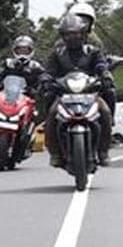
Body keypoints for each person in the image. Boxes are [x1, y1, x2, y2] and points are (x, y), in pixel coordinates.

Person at [39, 13, 115, 168]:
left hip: (90, 94)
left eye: (76, 33)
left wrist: (105, 75)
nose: (72, 37)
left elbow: (100, 65)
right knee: (51, 114)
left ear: (83, 34)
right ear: (63, 36)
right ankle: (55, 153)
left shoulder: (93, 51)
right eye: (68, 34)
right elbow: (49, 71)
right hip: (64, 95)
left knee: (105, 111)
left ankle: (103, 151)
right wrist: (46, 79)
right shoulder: (57, 53)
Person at [0, 35, 43, 153]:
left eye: (25, 50)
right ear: (14, 50)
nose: (22, 53)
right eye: (20, 50)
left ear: (31, 51)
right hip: (9, 96)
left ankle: (28, 136)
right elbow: (0, 74)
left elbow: (44, 78)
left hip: (27, 97)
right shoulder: (8, 63)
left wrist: (40, 87)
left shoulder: (35, 66)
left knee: (36, 115)